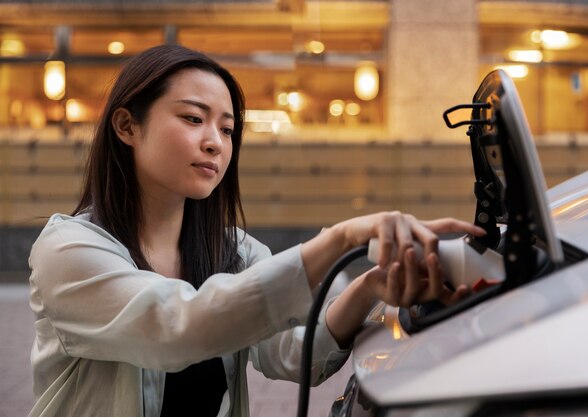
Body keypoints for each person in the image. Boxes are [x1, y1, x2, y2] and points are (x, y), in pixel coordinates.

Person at [27, 44, 484, 417]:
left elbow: (291, 353)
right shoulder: (69, 250)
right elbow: (176, 328)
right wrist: (339, 239)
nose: (215, 142)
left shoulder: (233, 250)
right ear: (127, 126)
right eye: (192, 118)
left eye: (227, 130)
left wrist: (369, 286)